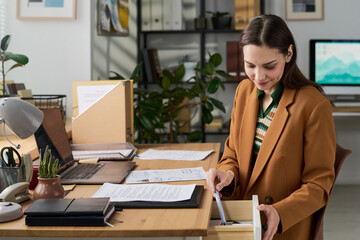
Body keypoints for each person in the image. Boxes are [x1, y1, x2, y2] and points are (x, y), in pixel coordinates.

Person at [206, 14, 335, 240]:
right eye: (250, 65)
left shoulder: (314, 106)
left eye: (269, 66)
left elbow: (318, 185)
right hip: (242, 217)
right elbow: (232, 153)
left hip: (281, 227)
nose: (259, 76)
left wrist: (280, 212)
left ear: (288, 54)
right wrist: (227, 174)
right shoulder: (244, 91)